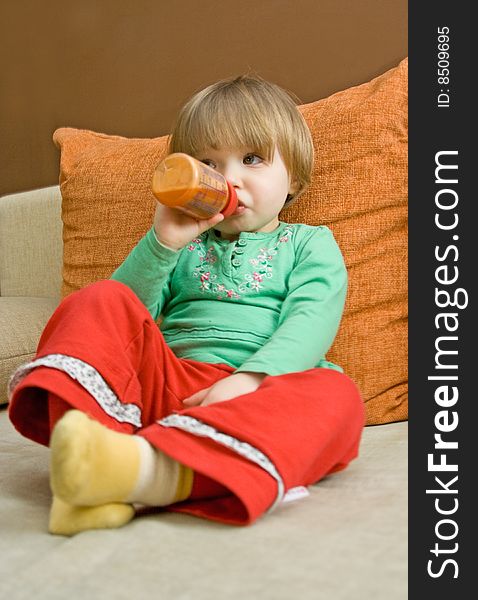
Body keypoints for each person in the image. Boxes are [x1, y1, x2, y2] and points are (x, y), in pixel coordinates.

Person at [8, 74, 365, 536]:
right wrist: (163, 242)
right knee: (99, 297)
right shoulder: (182, 244)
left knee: (338, 397)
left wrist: (248, 380)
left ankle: (133, 474)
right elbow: (123, 322)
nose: (229, 179)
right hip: (171, 384)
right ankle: (93, 447)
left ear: (293, 175)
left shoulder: (309, 243)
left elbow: (311, 319)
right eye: (209, 164)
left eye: (251, 159)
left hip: (261, 393)